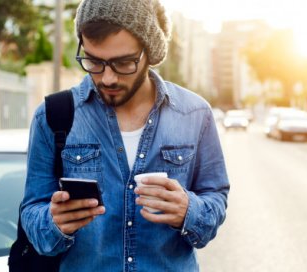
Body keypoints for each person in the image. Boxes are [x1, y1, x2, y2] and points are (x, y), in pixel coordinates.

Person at [20, 0, 230, 271]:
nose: (107, 78)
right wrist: (53, 223)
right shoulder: (51, 116)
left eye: (123, 63)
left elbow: (215, 196)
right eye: (94, 61)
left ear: (149, 51)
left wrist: (190, 211)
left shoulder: (195, 113)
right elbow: (32, 212)